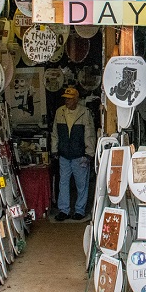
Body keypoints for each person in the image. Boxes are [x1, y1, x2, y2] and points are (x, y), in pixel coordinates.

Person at [51, 87, 96, 222]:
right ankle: (64, 210)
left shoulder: (84, 112)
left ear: (76, 99)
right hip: (64, 154)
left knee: (81, 184)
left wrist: (89, 153)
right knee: (63, 183)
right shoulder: (60, 112)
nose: (67, 101)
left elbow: (90, 134)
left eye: (69, 98)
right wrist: (54, 149)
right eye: (65, 98)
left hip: (80, 155)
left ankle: (79, 211)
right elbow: (55, 133)